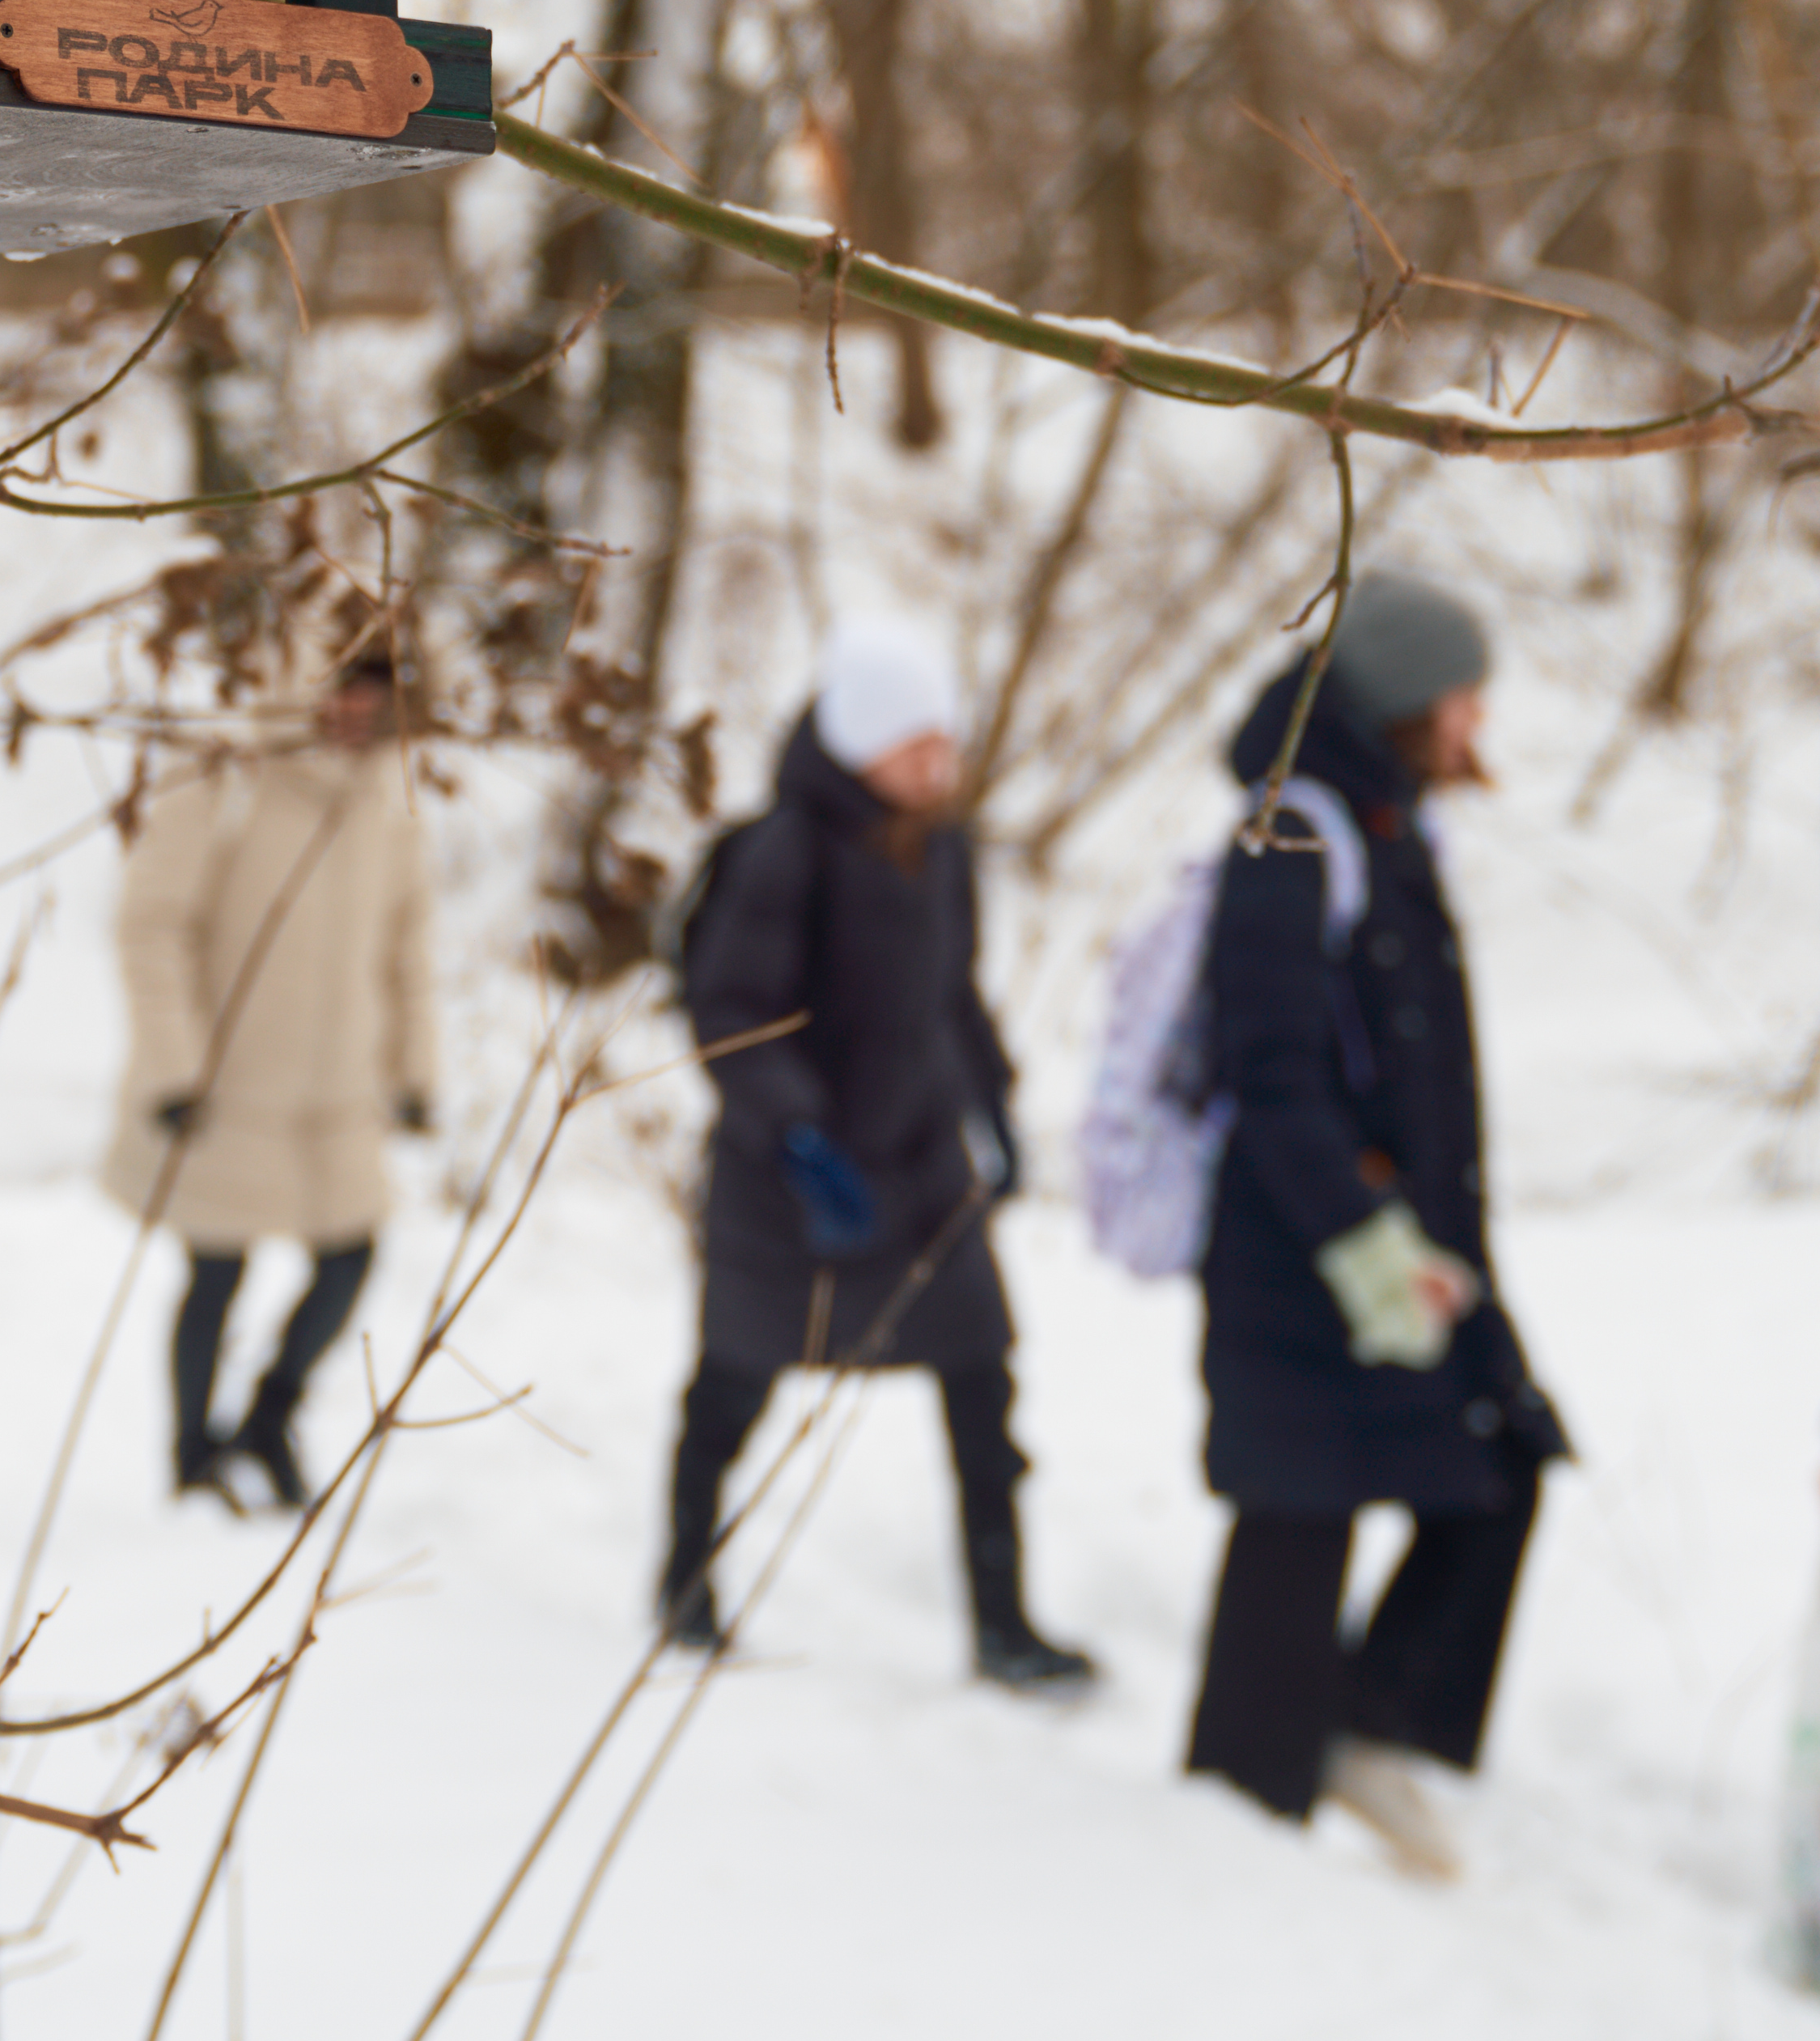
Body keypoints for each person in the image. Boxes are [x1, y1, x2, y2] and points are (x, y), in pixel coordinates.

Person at [1180, 566, 1567, 1879]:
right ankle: (1239, 1812)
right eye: (1463, 699)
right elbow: (1269, 1065)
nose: (1476, 725)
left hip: (1396, 1236)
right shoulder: (1293, 830)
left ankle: (1359, 1733)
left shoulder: (1381, 824)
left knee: (1498, 1463)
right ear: (1406, 698)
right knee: (1301, 1509)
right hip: (1306, 1246)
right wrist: (1363, 1235)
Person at [663, 616, 1094, 1693]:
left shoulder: (941, 849)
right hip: (790, 1181)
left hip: (919, 1171)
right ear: (858, 746)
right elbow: (730, 1013)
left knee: (981, 1383)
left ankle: (1003, 1623)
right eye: (914, 747)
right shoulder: (782, 852)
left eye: (942, 743)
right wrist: (799, 1138)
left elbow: (952, 994)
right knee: (735, 1384)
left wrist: (994, 1108)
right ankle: (682, 1583)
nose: (936, 765)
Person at [102, 646, 435, 1510]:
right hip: (226, 1090)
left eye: (377, 694)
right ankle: (191, 1454)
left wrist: (416, 1069)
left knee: (352, 1256)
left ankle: (270, 1417)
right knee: (217, 1268)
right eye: (342, 687)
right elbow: (152, 927)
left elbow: (407, 949)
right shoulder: (228, 778)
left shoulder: (389, 800)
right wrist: (176, 1066)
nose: (357, 709)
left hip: (337, 1096)